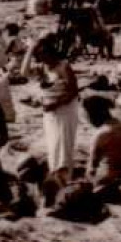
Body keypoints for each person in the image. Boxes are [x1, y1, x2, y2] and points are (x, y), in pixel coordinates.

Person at [34, 43, 80, 180]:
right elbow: (24, 72)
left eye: (46, 56)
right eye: (41, 57)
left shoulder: (64, 66)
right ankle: (55, 173)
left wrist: (56, 104)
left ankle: (65, 176)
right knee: (53, 143)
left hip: (65, 109)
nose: (44, 60)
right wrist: (30, 49)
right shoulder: (42, 67)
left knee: (64, 143)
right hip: (50, 111)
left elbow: (73, 91)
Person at [83, 95, 121, 198]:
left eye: (87, 116)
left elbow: (92, 168)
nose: (88, 121)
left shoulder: (101, 133)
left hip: (107, 182)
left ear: (93, 114)